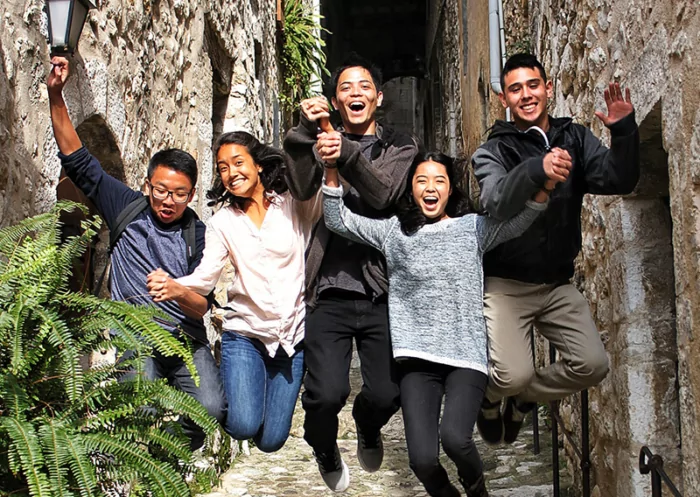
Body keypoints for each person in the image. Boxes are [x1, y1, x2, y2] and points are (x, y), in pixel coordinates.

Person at [322, 151, 553, 497]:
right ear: (411, 190)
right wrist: (329, 167)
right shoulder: (393, 233)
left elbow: (518, 222)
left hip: (465, 358)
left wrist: (545, 185)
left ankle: (476, 487)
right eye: (421, 180)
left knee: (456, 440)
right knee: (422, 460)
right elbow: (337, 219)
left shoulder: (473, 228)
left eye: (439, 181)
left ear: (450, 190)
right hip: (416, 361)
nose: (430, 188)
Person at [47, 56, 226, 450]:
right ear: (147, 186)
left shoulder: (199, 234)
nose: (168, 200)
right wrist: (56, 95)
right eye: (161, 190)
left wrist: (177, 290)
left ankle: (160, 457)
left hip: (185, 338)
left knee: (211, 409)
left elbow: (202, 307)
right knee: (138, 409)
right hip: (137, 334)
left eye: (179, 194)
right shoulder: (124, 207)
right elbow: (78, 160)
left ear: (191, 195)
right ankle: (148, 459)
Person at [471, 52, 640, 445]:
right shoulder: (492, 151)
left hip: (556, 284)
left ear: (548, 88)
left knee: (592, 365)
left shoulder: (575, 137)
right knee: (512, 373)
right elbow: (495, 201)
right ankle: (491, 397)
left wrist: (625, 132)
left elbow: (618, 179)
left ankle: (523, 401)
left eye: (533, 85)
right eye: (516, 89)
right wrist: (537, 169)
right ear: (504, 99)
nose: (526, 95)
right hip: (507, 284)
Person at [283, 53, 418, 491]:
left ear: (378, 98)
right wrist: (307, 133)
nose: (354, 93)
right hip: (328, 290)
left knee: (387, 393)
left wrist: (346, 155)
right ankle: (322, 444)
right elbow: (302, 187)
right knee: (324, 395)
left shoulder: (403, 147)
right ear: (335, 101)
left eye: (363, 87)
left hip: (381, 291)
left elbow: (382, 194)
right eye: (345, 88)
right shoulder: (323, 140)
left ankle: (367, 424)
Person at [155, 131, 322, 453]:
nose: (231, 174)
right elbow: (205, 278)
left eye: (238, 163)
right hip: (245, 334)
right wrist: (176, 286)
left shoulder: (293, 206)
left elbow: (323, 190)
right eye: (222, 168)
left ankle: (238, 397)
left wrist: (318, 137)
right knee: (243, 426)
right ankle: (209, 406)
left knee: (271, 441)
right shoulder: (222, 223)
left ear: (258, 165)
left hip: (292, 339)